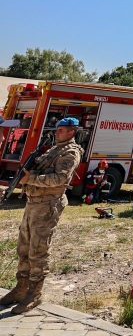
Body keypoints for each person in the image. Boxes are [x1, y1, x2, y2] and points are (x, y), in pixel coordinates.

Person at [0, 117, 84, 314]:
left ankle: (34, 294)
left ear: (72, 131)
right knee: (24, 246)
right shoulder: (53, 150)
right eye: (58, 129)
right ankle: (21, 288)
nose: (58, 132)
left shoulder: (70, 152)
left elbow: (61, 178)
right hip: (33, 203)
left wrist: (33, 179)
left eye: (62, 130)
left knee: (38, 249)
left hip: (48, 205)